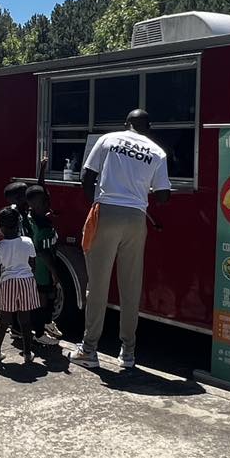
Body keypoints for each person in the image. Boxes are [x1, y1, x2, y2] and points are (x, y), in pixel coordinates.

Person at [70, 109, 171, 370]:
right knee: (130, 286)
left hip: (106, 211)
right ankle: (128, 353)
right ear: (148, 128)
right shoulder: (157, 152)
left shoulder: (109, 139)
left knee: (98, 286)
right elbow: (162, 196)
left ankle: (89, 350)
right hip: (137, 218)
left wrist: (96, 202)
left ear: (126, 124)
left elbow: (87, 176)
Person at [0, 206, 39, 365]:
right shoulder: (28, 242)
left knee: (4, 321)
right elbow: (33, 264)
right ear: (19, 224)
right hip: (27, 282)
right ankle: (27, 353)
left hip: (8, 283)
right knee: (25, 320)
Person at [24, 184, 61, 341]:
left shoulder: (31, 216)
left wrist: (43, 168)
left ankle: (47, 323)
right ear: (34, 204)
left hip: (42, 268)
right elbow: (42, 252)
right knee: (42, 300)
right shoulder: (41, 225)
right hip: (42, 270)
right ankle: (39, 333)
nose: (48, 204)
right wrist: (54, 272)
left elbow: (39, 189)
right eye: (44, 202)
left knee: (51, 296)